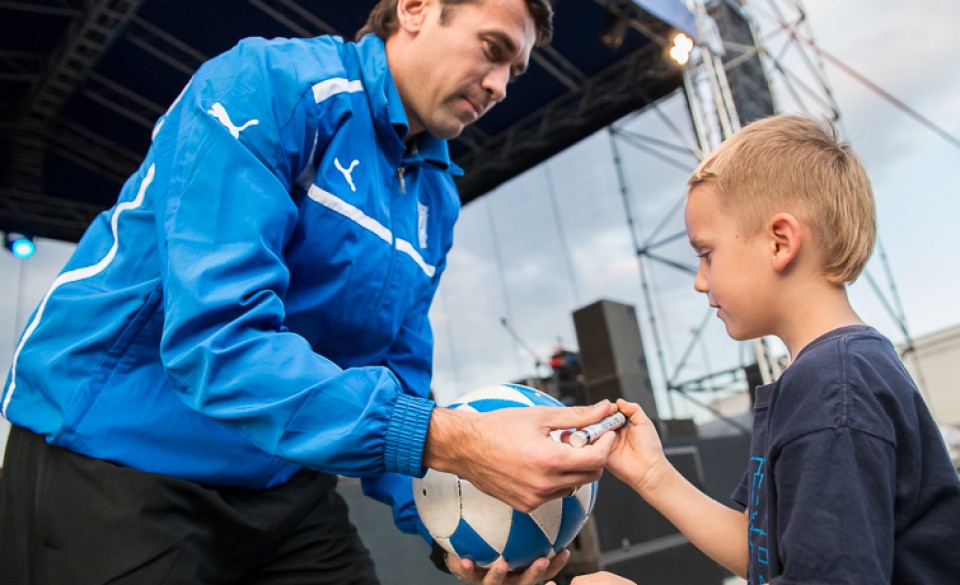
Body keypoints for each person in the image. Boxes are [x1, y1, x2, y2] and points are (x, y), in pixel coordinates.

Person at [0, 1, 620, 584]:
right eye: (493, 48)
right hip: (117, 455)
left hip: (280, 478)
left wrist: (454, 529)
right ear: (415, 8)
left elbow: (398, 375)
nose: (501, 85)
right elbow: (217, 343)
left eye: (515, 70)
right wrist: (456, 440)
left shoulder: (436, 198)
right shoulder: (269, 85)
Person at [551, 114, 960, 584]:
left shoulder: (834, 388)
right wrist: (653, 474)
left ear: (780, 242)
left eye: (706, 254)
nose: (699, 280)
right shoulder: (828, 377)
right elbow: (767, 554)